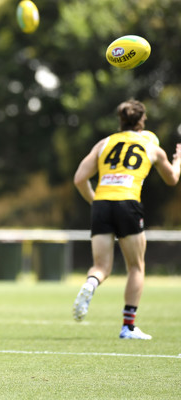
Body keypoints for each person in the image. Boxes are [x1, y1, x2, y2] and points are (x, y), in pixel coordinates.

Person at [72, 99, 181, 339]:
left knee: (101, 267)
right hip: (128, 203)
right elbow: (172, 179)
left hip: (102, 204)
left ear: (120, 121)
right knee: (136, 267)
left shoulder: (104, 143)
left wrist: (95, 201)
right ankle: (128, 327)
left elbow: (80, 178)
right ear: (142, 122)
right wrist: (178, 159)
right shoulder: (151, 147)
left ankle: (91, 283)